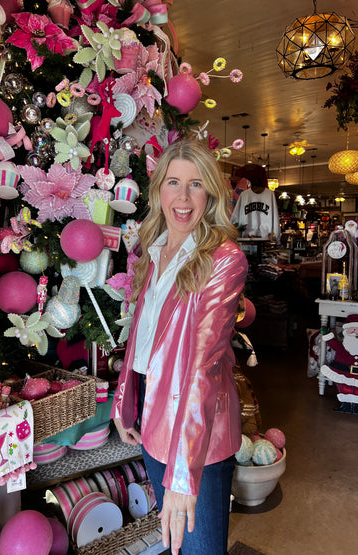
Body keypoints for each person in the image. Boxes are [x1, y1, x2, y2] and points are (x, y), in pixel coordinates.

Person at [111, 139, 248, 555]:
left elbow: (203, 366)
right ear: (158, 191)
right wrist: (124, 402)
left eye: (196, 184)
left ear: (210, 194)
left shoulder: (224, 259)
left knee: (199, 549)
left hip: (197, 431)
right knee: (176, 545)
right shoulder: (154, 251)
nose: (184, 197)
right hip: (154, 412)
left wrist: (184, 478)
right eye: (173, 182)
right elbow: (142, 335)